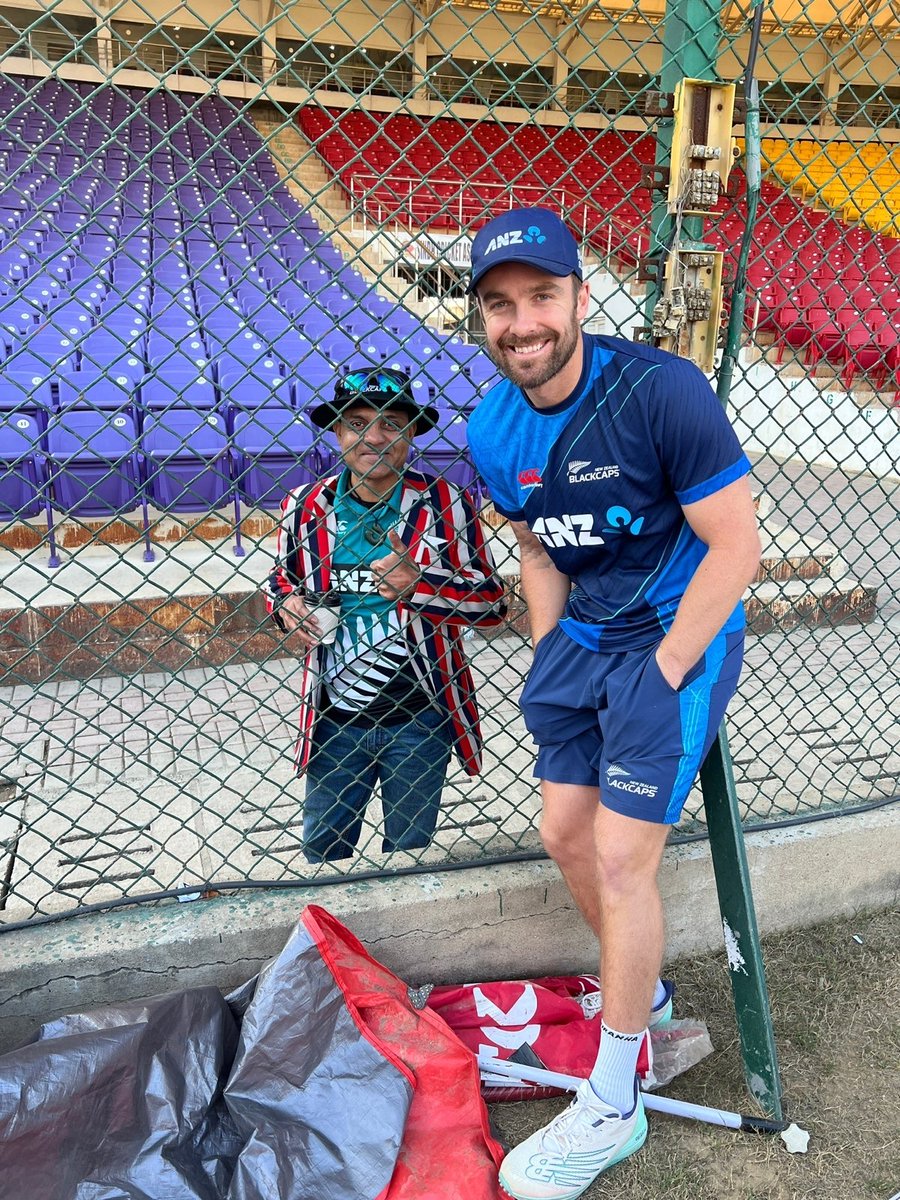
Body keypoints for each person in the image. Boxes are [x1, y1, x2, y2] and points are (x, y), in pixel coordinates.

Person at [465, 207, 761, 1200]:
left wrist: (669, 666)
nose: (524, 323)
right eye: (500, 306)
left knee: (626, 858)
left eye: (542, 297)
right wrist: (553, 653)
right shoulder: (491, 428)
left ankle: (611, 1101)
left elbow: (737, 547)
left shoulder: (660, 391)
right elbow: (540, 545)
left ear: (580, 300)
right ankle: (649, 991)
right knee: (563, 834)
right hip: (582, 636)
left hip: (677, 635)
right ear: (483, 320)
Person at [265, 366, 506, 863]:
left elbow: (492, 602)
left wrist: (420, 586)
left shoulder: (448, 503)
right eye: (356, 422)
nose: (373, 436)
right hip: (334, 719)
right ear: (336, 433)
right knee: (323, 855)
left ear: (412, 431)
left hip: (422, 716)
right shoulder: (304, 507)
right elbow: (281, 579)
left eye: (391, 423)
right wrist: (285, 604)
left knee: (409, 856)